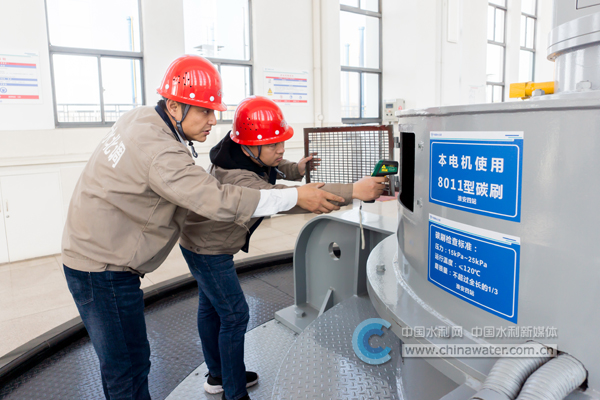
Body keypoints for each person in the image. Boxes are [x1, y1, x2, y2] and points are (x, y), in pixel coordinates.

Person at [61, 56, 345, 400]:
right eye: (203, 111)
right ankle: (230, 387)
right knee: (129, 367)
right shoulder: (163, 153)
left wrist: (294, 174)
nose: (214, 120)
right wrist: (299, 196)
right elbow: (217, 199)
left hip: (93, 252)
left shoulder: (141, 118)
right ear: (173, 106)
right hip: (103, 268)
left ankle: (219, 375)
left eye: (214, 111)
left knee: (125, 362)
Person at [179, 95, 387, 400]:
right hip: (208, 249)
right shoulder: (238, 178)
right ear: (250, 145)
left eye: (282, 142)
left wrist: (296, 168)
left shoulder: (238, 150)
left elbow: (272, 167)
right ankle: (233, 393)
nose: (281, 149)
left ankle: (219, 376)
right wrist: (354, 190)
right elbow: (284, 197)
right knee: (235, 315)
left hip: (200, 242)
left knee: (211, 309)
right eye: (273, 144)